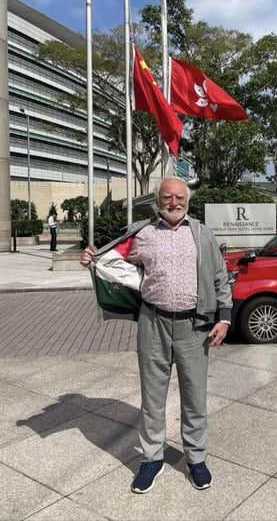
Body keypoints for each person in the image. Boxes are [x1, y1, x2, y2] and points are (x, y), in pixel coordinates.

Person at [80, 176, 232, 494]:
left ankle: (196, 459)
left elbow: (220, 276)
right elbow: (112, 259)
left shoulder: (202, 233)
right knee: (152, 398)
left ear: (187, 201)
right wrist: (91, 260)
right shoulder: (142, 233)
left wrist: (225, 318)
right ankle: (152, 458)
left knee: (195, 397)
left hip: (195, 326)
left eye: (179, 197)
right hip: (153, 323)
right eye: (167, 197)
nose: (174, 202)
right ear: (157, 200)